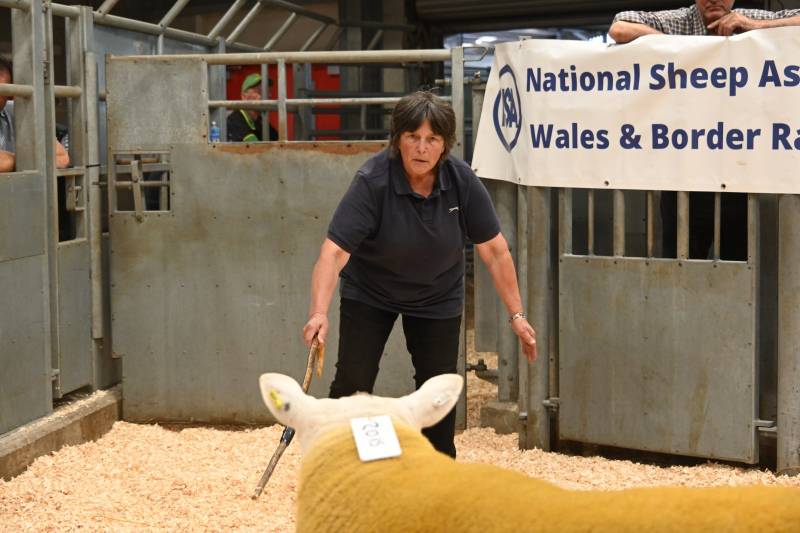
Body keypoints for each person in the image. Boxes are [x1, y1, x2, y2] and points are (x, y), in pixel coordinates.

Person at [301, 91, 537, 458]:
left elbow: (494, 249)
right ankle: (340, 460)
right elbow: (334, 253)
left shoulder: (461, 180)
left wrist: (517, 315)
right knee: (353, 379)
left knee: (438, 390)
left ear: (445, 145)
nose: (422, 148)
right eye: (413, 137)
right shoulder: (373, 180)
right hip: (371, 291)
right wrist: (319, 312)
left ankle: (437, 468)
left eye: (432, 139)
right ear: (398, 138)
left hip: (437, 295)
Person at [609, 1, 800, 260]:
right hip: (683, 176)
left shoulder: (746, 18)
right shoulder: (680, 21)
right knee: (679, 262)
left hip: (737, 173)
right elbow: (619, 28)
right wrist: (683, 49)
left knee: (738, 264)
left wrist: (754, 26)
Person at [0, 57, 70, 172]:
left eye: (3, 91)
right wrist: (32, 162)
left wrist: (12, 162)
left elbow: (61, 159)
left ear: (10, 94)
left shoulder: (18, 110)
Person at [226, 72, 278, 142]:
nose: (268, 96)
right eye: (260, 91)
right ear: (244, 96)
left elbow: (277, 140)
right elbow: (256, 149)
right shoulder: (236, 120)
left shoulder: (259, 120)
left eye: (267, 92)